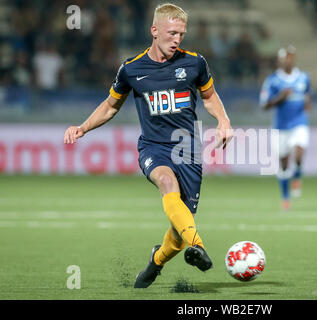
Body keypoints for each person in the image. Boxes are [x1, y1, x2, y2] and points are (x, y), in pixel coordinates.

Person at [63, 3, 233, 288]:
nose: (177, 39)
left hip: (188, 150)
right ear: (154, 31)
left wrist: (224, 121)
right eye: (172, 33)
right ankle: (199, 246)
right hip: (154, 148)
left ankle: (157, 260)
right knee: (167, 183)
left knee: (178, 235)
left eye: (181, 34)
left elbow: (210, 96)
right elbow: (110, 106)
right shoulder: (131, 68)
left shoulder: (194, 63)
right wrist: (82, 127)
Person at [259, 46, 311, 210]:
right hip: (281, 126)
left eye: (291, 57)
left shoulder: (303, 77)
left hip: (299, 122)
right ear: (280, 60)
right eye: (285, 57)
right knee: (283, 164)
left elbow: (308, 94)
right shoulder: (273, 80)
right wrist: (280, 97)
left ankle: (298, 173)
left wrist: (308, 104)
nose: (288, 60)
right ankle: (285, 196)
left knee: (299, 149)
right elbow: (264, 105)